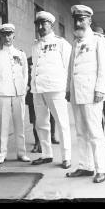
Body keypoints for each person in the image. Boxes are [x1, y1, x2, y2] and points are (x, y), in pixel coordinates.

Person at [66, 5, 105, 183]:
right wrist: (68, 90)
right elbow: (72, 69)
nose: (78, 23)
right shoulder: (76, 42)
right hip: (77, 94)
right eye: (76, 20)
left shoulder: (99, 41)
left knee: (94, 132)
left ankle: (101, 169)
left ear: (89, 21)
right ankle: (86, 167)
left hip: (92, 93)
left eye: (82, 19)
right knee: (81, 132)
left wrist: (101, 89)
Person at [30, 11, 72, 169]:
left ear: (51, 25)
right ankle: (46, 154)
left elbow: (68, 67)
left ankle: (66, 157)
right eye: (38, 24)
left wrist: (67, 89)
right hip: (37, 89)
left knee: (62, 123)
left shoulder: (61, 43)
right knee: (41, 123)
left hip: (55, 88)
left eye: (44, 23)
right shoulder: (35, 45)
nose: (40, 27)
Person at [0, 23, 31, 164]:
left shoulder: (20, 54)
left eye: (9, 34)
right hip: (3, 92)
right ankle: (2, 154)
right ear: (0, 37)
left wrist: (23, 90)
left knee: (19, 124)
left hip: (18, 93)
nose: (7, 37)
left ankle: (21, 153)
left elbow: (25, 73)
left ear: (13, 36)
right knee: (3, 125)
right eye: (4, 35)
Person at [26, 57, 59, 154]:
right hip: (34, 93)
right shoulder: (29, 60)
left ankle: (52, 136)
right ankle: (37, 143)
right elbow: (26, 76)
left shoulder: (49, 58)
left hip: (49, 91)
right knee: (36, 120)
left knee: (51, 117)